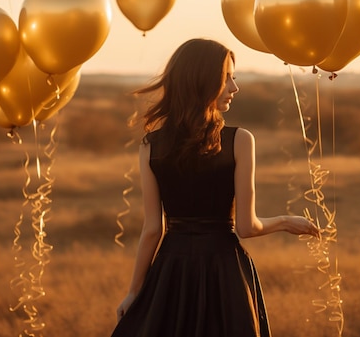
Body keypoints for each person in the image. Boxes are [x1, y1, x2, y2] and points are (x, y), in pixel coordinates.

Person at [110, 38, 320, 337]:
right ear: (201, 81)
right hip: (225, 272)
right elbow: (247, 227)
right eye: (227, 78)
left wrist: (134, 292)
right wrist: (286, 221)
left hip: (171, 272)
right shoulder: (240, 140)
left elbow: (152, 230)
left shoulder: (150, 146)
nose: (235, 87)